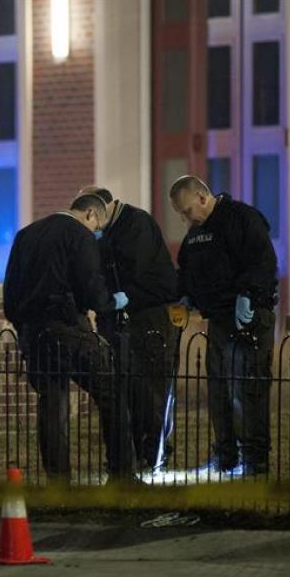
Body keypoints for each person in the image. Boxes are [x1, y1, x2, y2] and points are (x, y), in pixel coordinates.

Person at [3, 191, 128, 480]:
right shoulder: (79, 235)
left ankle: (58, 481)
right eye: (97, 227)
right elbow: (91, 286)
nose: (96, 233)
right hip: (68, 327)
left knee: (52, 403)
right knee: (110, 392)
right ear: (91, 215)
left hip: (34, 333)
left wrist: (23, 327)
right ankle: (122, 473)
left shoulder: (26, 235)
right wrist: (112, 302)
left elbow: (10, 292)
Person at [169, 175, 278, 476]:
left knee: (247, 389)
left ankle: (255, 459)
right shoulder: (196, 234)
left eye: (186, 210)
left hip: (247, 318)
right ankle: (227, 454)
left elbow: (263, 262)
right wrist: (185, 296)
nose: (185, 218)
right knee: (220, 391)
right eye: (180, 213)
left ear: (203, 198)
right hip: (218, 319)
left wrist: (249, 295)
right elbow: (187, 270)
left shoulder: (242, 219)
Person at [82, 186, 180, 473]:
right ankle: (128, 457)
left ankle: (154, 455)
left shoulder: (135, 223)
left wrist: (112, 294)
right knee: (122, 389)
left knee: (150, 390)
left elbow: (128, 270)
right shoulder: (109, 230)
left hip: (146, 316)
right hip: (117, 317)